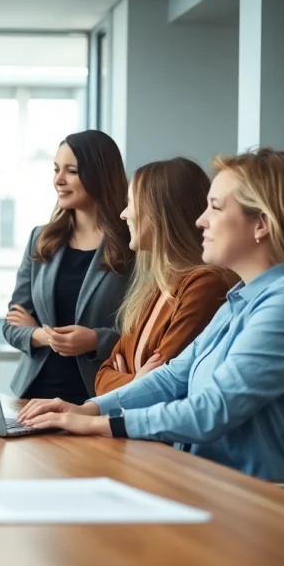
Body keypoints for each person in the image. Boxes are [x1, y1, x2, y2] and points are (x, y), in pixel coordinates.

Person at [18, 147, 284, 482]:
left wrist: (97, 424)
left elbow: (211, 410)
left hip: (252, 499)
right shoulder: (239, 301)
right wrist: (88, 407)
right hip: (198, 480)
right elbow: (173, 377)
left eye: (215, 208)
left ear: (261, 224)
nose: (201, 220)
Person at [3, 129, 133, 404]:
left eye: (71, 171)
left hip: (96, 398)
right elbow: (13, 323)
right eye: (56, 169)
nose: (58, 180)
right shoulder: (41, 239)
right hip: (32, 396)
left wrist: (95, 341)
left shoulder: (131, 244)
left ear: (100, 174)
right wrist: (40, 335)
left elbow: (141, 331)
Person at [95, 158, 238, 395]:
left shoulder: (204, 286)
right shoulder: (154, 288)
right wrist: (133, 383)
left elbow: (161, 385)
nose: (123, 214)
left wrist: (128, 382)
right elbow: (101, 378)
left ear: (158, 211)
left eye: (130, 203)